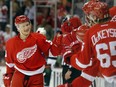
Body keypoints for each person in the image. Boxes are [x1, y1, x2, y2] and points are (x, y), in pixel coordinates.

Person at [58, 0, 116, 87]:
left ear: (95, 17)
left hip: (108, 76)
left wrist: (71, 58)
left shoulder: (91, 32)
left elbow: (83, 63)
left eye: (88, 15)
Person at [3, 15, 62, 87]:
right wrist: (8, 77)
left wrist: (58, 40)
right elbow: (10, 64)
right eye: (23, 26)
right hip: (19, 75)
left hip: (36, 77)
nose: (26, 28)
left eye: (27, 24)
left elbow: (53, 52)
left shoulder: (38, 38)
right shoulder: (11, 43)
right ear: (18, 28)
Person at [60, 15, 82, 84]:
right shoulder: (76, 34)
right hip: (74, 66)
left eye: (69, 23)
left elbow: (74, 54)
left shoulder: (72, 35)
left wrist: (70, 69)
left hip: (71, 67)